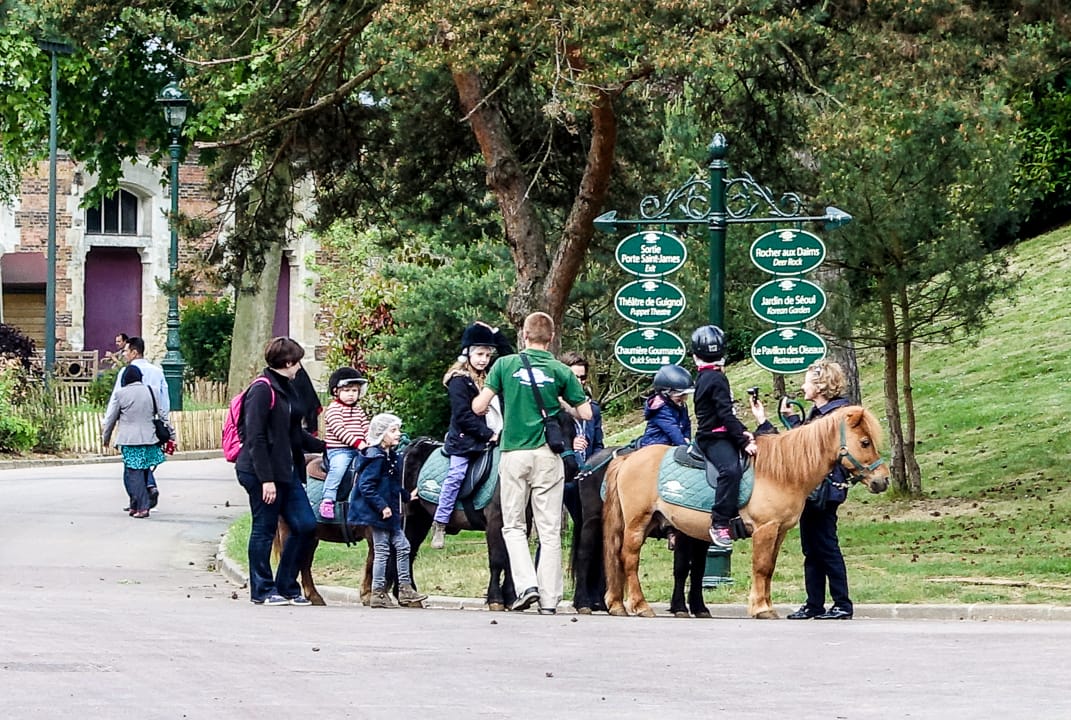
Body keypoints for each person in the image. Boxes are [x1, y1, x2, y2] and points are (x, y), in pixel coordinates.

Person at [472, 312, 591, 615]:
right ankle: (550, 600)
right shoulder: (560, 370)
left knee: (513, 525)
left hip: (514, 454)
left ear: (524, 335)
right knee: (549, 530)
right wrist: (561, 403)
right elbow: (586, 413)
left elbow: (479, 406)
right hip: (548, 456)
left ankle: (526, 586)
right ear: (551, 338)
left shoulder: (504, 365)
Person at [749, 359, 855, 620]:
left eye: (807, 382)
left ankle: (842, 603)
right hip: (810, 491)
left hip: (825, 490)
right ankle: (814, 603)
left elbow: (819, 452)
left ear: (820, 386)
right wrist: (775, 420)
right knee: (812, 549)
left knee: (826, 546)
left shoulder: (837, 416)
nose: (802, 386)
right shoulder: (818, 414)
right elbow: (799, 448)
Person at [235, 337, 326, 606]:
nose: (299, 367)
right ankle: (262, 590)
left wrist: (326, 446)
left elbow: (293, 432)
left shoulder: (287, 387)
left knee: (306, 525)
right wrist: (266, 480)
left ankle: (286, 585)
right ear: (287, 362)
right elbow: (256, 438)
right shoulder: (262, 390)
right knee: (264, 529)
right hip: (260, 472)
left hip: (287, 471)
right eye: (297, 361)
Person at [432, 322, 511, 549]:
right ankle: (441, 521)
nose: (484, 359)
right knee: (456, 475)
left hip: (497, 437)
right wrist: (488, 434)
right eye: (479, 354)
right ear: (467, 353)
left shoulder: (490, 376)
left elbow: (509, 358)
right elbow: (463, 415)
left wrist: (495, 333)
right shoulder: (458, 380)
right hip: (466, 440)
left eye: (487, 355)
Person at [347, 413, 428, 608]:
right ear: (381, 434)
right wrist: (381, 506)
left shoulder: (390, 456)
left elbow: (392, 484)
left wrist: (407, 496)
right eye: (393, 430)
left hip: (391, 513)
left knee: (403, 547)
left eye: (398, 429)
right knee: (382, 551)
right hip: (379, 514)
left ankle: (404, 589)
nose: (398, 434)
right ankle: (378, 592)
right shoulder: (375, 457)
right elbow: (366, 486)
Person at [690, 325, 757, 549]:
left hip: (718, 432)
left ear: (695, 355)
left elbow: (725, 415)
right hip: (714, 438)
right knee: (730, 470)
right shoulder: (716, 378)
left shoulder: (705, 375)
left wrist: (742, 430)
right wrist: (743, 440)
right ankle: (719, 522)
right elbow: (725, 415)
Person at [101, 365, 172, 518]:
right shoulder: (152, 391)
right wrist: (172, 435)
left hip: (130, 441)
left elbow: (111, 419)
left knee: (134, 473)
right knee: (144, 469)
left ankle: (142, 507)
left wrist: (105, 438)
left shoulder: (121, 394)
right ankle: (135, 504)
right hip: (149, 438)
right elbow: (163, 415)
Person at [558, 351, 604, 529]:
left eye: (582, 377)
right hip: (561, 475)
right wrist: (570, 445)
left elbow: (598, 443)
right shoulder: (553, 405)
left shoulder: (593, 408)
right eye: (574, 377)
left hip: (587, 475)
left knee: (590, 523)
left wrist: (595, 468)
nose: (578, 382)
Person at [319, 367, 370, 520]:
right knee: (339, 469)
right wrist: (358, 443)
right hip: (339, 450)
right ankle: (328, 500)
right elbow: (339, 430)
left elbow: (366, 427)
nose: (351, 394)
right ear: (336, 391)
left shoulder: (358, 410)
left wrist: (370, 440)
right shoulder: (334, 409)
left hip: (359, 449)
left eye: (354, 390)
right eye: (347, 390)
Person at [637, 363, 693, 448]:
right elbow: (673, 430)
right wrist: (684, 446)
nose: (683, 399)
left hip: (672, 444)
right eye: (679, 395)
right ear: (665, 393)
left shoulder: (680, 404)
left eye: (685, 395)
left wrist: (687, 437)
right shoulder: (661, 409)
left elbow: (687, 423)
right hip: (656, 444)